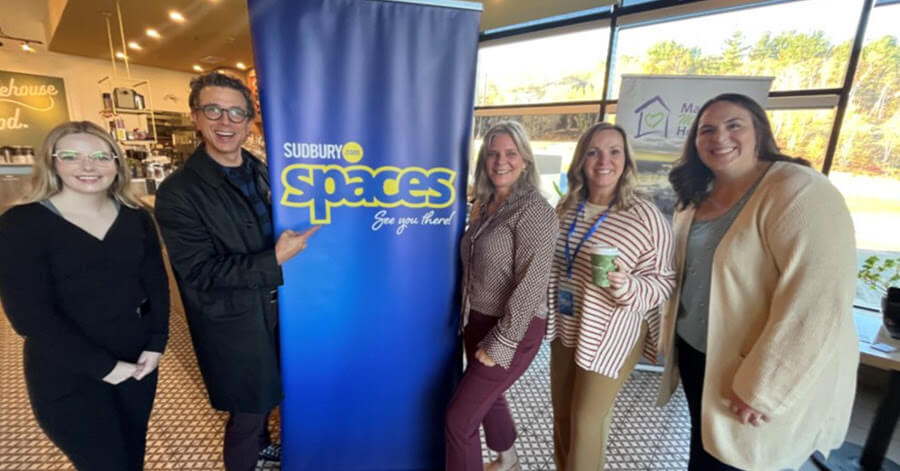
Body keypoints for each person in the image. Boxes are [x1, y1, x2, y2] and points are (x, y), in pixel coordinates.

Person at [658, 93, 858, 470]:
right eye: (707, 130)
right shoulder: (696, 196)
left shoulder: (797, 190)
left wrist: (764, 389)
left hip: (753, 371)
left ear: (759, 133)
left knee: (745, 461)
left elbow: (818, 301)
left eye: (734, 125)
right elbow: (690, 276)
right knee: (706, 452)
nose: (720, 137)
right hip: (698, 354)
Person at [154, 72, 319, 471]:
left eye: (235, 112)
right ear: (196, 117)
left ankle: (265, 447)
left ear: (249, 121)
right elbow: (200, 272)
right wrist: (274, 260)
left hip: (283, 310)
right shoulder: (178, 192)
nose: (225, 121)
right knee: (248, 411)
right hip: (235, 322)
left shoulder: (261, 169)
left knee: (273, 398)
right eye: (213, 110)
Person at [0, 121, 169, 470]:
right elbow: (30, 316)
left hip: (136, 360)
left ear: (116, 162)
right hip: (66, 368)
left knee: (132, 455)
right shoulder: (21, 223)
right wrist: (105, 368)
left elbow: (156, 284)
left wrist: (156, 343)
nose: (88, 166)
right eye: (72, 156)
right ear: (52, 162)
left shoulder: (137, 217)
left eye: (100, 156)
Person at [546, 122, 675, 470]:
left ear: (626, 161)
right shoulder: (566, 206)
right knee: (562, 415)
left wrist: (629, 286)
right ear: (581, 161)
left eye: (614, 151)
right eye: (593, 151)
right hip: (566, 327)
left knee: (587, 420)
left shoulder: (646, 217)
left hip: (612, 335)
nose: (604, 160)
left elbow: (663, 281)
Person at [445, 121, 558, 471]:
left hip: (514, 329)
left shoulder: (535, 210)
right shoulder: (485, 204)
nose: (500, 161)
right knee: (489, 398)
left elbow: (532, 283)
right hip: (475, 321)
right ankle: (508, 460)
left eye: (510, 153)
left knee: (458, 422)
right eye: (492, 153)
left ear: (525, 160)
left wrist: (502, 341)